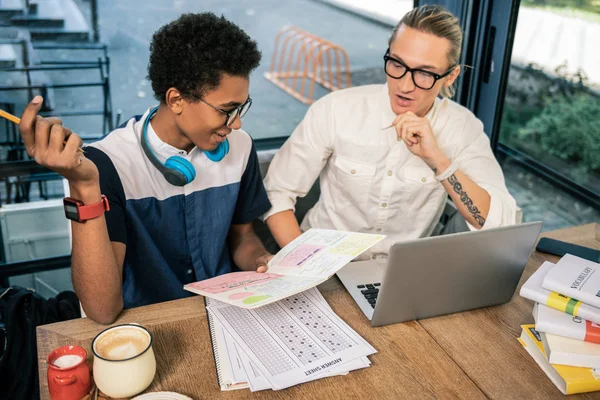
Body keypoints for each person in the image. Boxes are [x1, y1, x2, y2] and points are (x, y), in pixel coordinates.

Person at [17, 13, 272, 324]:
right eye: (227, 111)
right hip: (148, 325)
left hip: (227, 313)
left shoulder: (241, 147)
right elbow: (101, 309)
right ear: (176, 99)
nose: (237, 124)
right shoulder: (108, 164)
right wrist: (83, 187)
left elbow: (242, 237)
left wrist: (261, 261)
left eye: (241, 108)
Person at [263, 5, 517, 256]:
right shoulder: (335, 109)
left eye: (425, 73)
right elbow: (278, 192)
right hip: (319, 259)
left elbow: (500, 224)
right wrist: (304, 260)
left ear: (450, 76)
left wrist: (438, 161)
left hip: (399, 275)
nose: (405, 85)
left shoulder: (463, 128)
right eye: (397, 64)